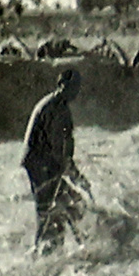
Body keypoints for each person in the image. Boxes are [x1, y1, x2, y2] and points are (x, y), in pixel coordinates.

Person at [22, 67, 89, 251]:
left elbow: (65, 150)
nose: (74, 92)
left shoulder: (60, 107)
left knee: (71, 204)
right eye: (71, 87)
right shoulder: (54, 108)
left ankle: (76, 246)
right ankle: (43, 255)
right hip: (41, 168)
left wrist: (74, 173)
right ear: (60, 85)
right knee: (54, 212)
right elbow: (59, 151)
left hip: (46, 167)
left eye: (77, 87)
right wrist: (75, 175)